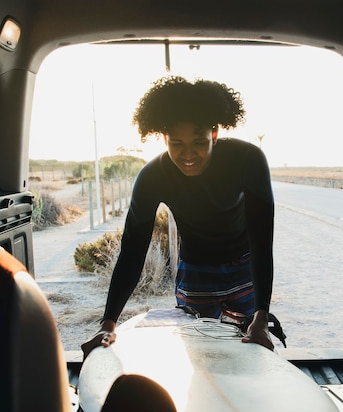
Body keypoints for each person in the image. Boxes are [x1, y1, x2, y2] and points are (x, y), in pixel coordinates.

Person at [81, 76, 275, 359]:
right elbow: (133, 251)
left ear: (215, 133)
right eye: (176, 143)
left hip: (245, 266)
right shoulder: (152, 177)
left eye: (198, 141)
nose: (188, 154)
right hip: (195, 270)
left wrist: (261, 314)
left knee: (253, 352)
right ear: (163, 138)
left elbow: (261, 242)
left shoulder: (248, 160)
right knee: (199, 357)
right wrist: (108, 322)